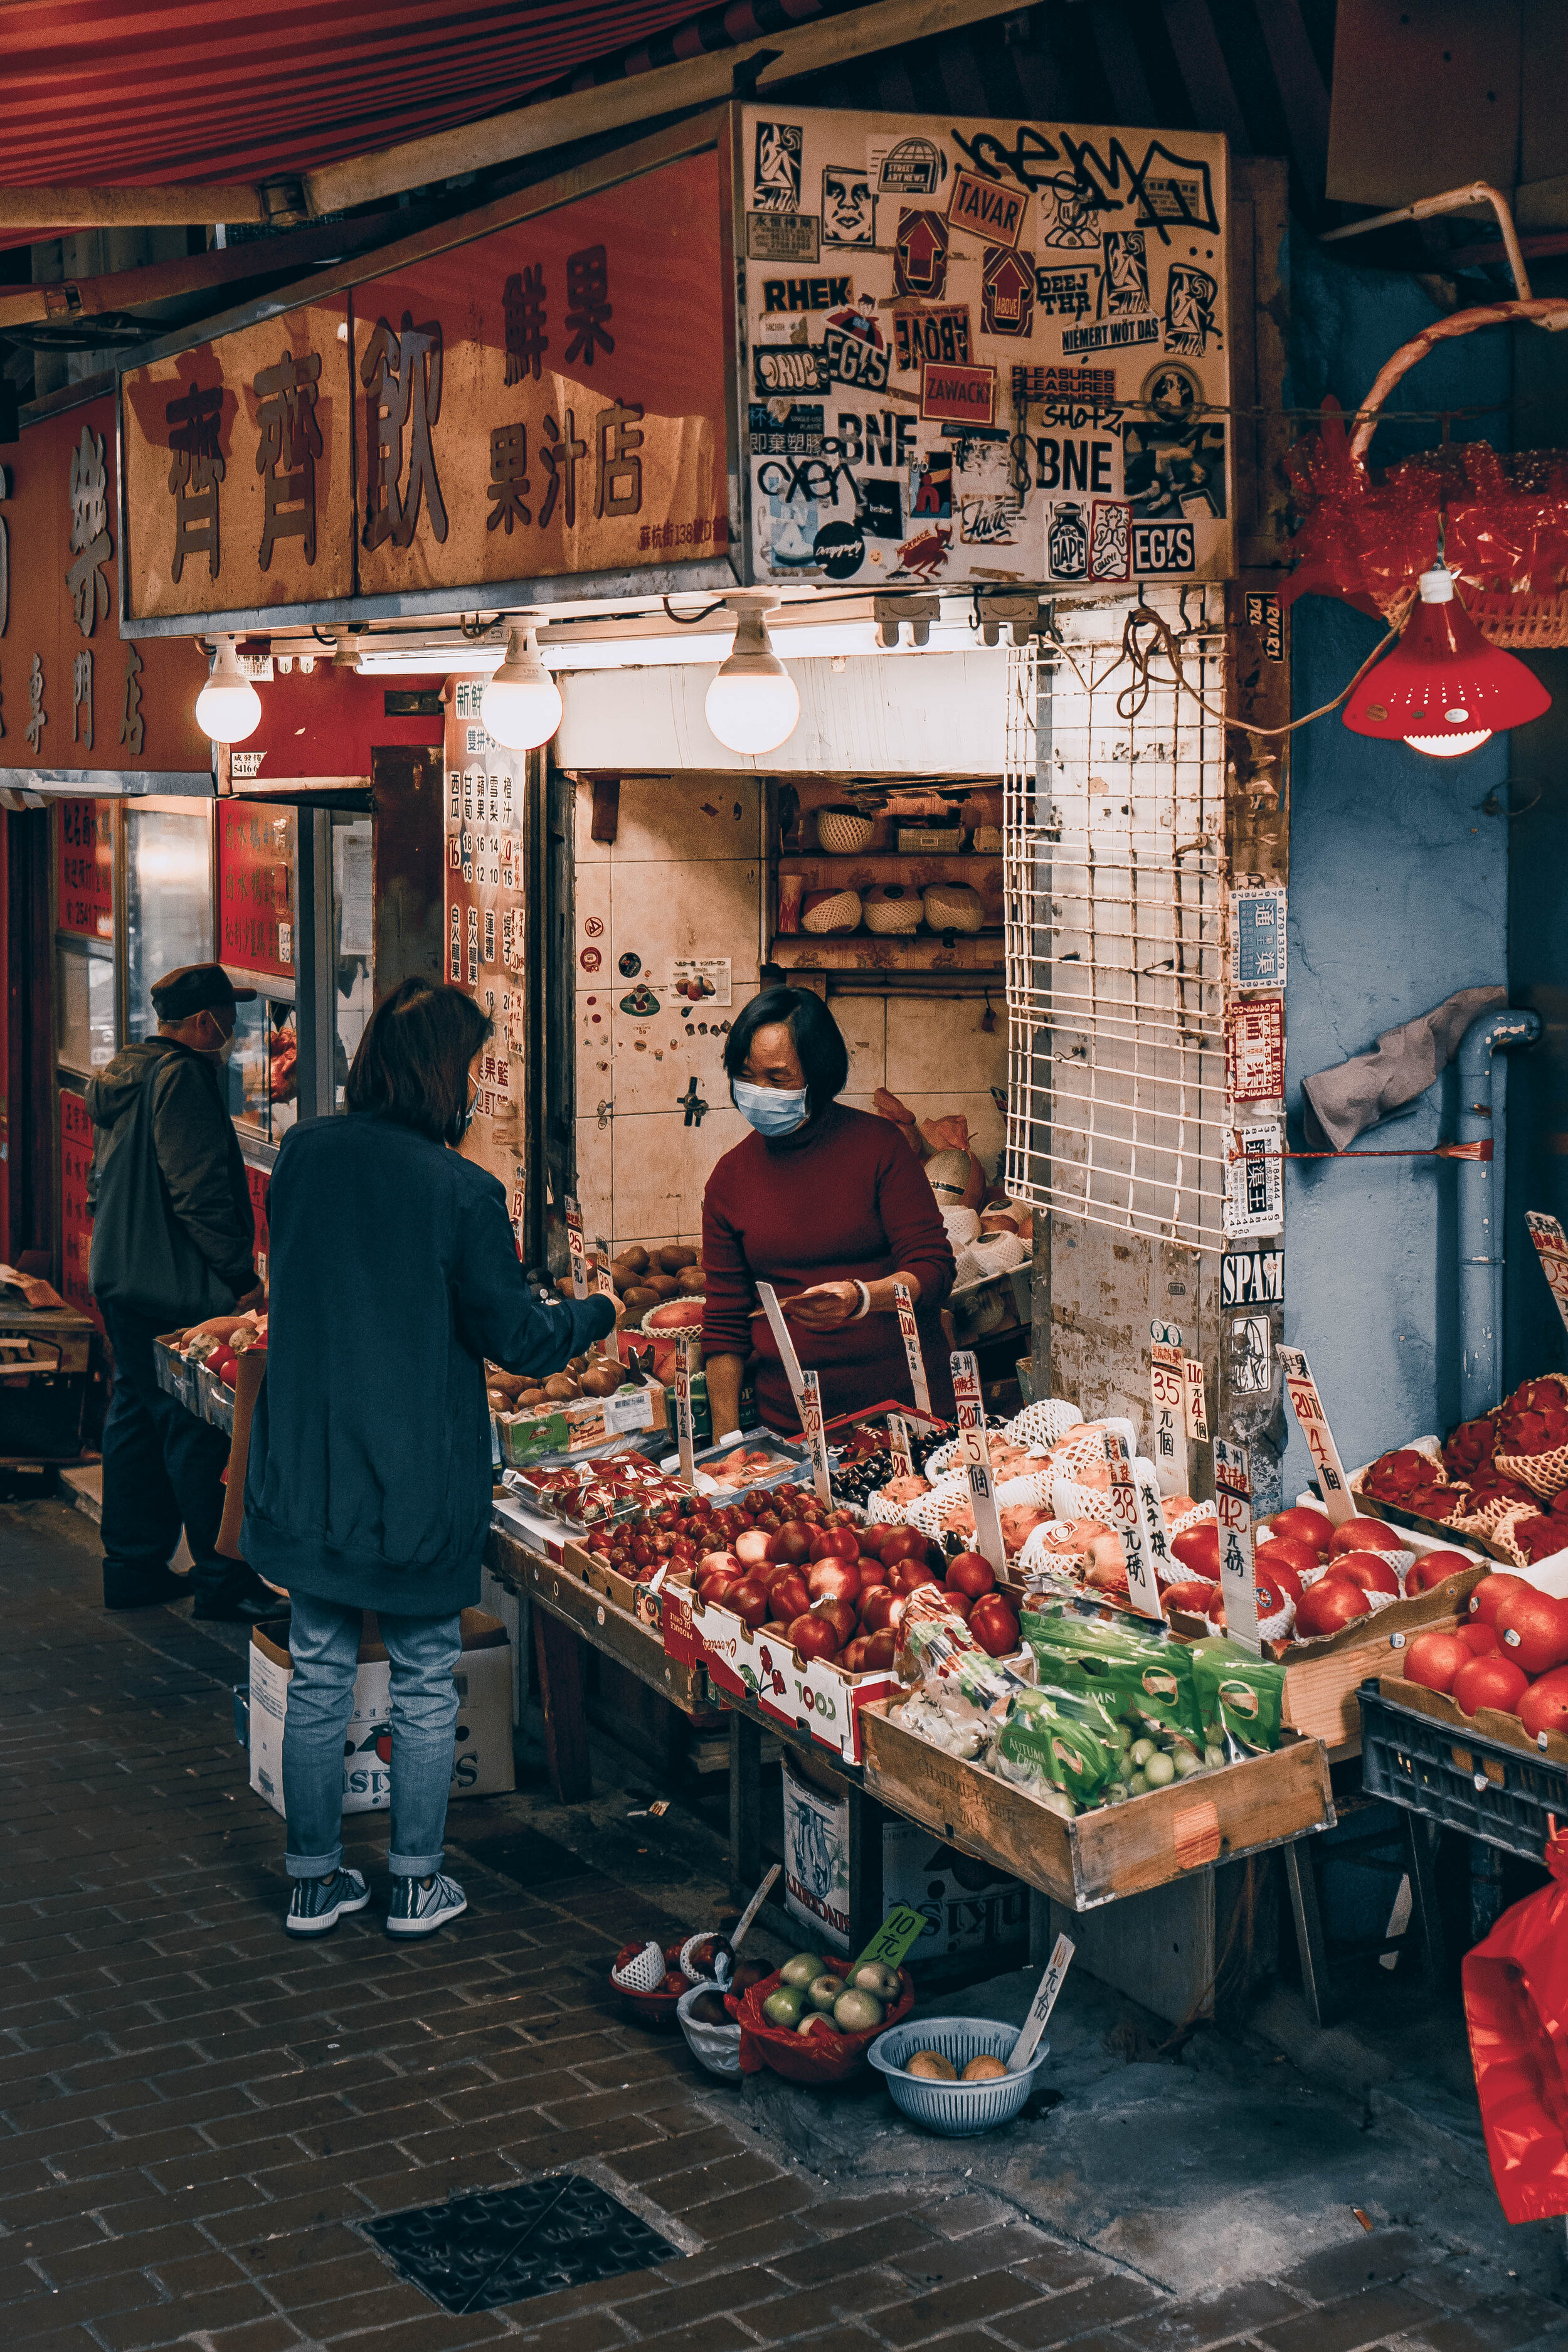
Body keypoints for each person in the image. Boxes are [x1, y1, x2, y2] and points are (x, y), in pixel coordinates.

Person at [244, 978, 615, 1941]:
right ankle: (414, 1883)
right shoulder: (460, 1190)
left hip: (315, 1459)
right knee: (420, 1674)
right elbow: (518, 1339)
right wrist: (601, 1310)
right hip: (414, 1468)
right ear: (444, 1077)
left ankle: (313, 1883)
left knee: (321, 1671)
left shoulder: (307, 1154)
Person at [87, 961, 272, 1620]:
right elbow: (200, 1193)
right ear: (202, 1023)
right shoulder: (186, 1079)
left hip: (120, 1277)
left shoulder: (125, 1075)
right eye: (228, 1016)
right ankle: (223, 1581)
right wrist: (241, 1278)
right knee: (197, 1428)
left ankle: (132, 1566)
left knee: (136, 1412)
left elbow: (98, 1181)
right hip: (174, 1286)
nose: (235, 1028)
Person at [701, 988, 956, 1438]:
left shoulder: (879, 1148)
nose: (759, 1092)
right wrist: (729, 1445)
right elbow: (725, 1325)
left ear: (817, 1076)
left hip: (907, 1414)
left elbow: (934, 1269)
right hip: (793, 1425)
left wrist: (861, 1298)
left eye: (778, 1079)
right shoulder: (729, 1179)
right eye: (747, 1076)